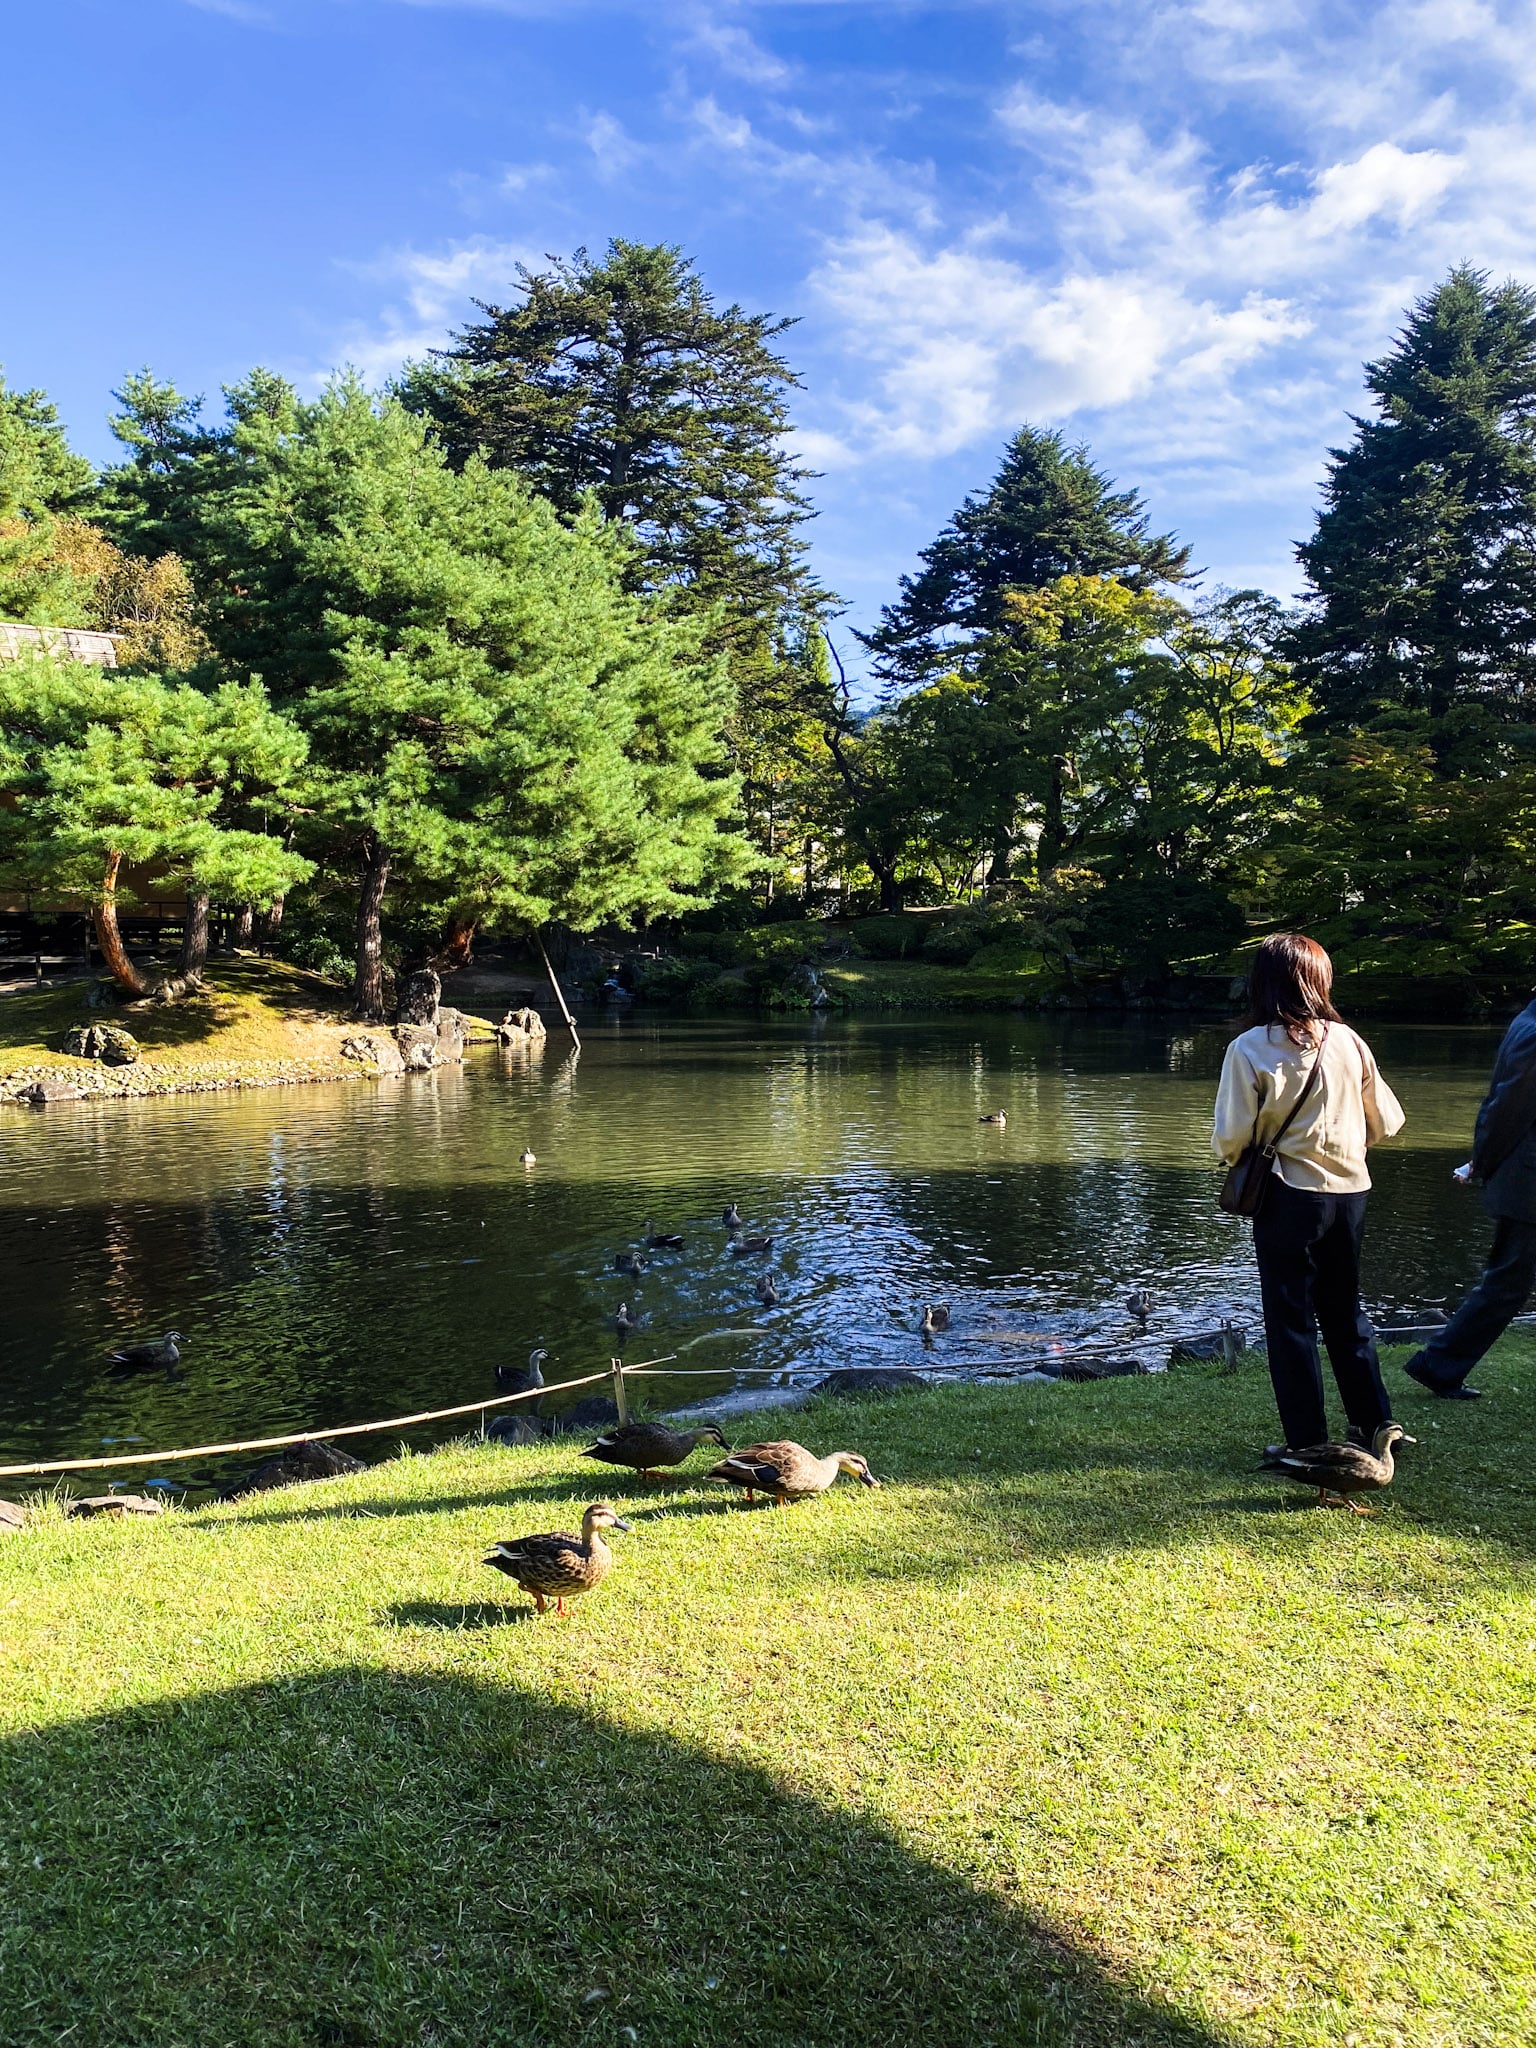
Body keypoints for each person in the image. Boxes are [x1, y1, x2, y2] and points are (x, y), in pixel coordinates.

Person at [1213, 934, 1405, 1451]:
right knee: (1346, 1312)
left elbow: (1231, 1139)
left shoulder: (1249, 1048)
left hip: (1287, 1194)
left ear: (1263, 983)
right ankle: (1375, 1422)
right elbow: (1388, 1121)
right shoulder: (1348, 1041)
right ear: (1320, 981)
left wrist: (1257, 1155)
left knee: (1290, 1320)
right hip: (1351, 1192)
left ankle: (1307, 1441)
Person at [1401, 991, 1536, 1400]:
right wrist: (1482, 1160)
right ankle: (1439, 1364)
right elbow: (1505, 1107)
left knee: (1507, 1281)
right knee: (1507, 1282)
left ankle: (1440, 1364)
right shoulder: (1533, 1031)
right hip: (1528, 1182)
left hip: (1523, 1176)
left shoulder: (1527, 1020)